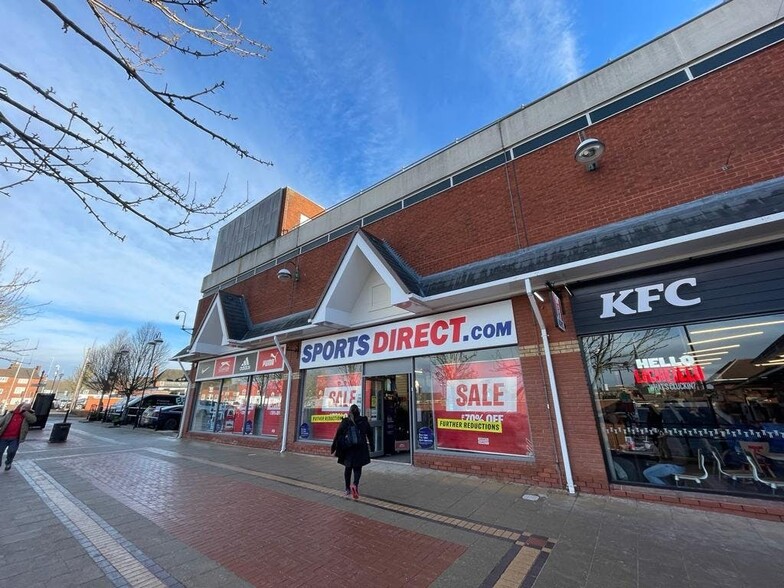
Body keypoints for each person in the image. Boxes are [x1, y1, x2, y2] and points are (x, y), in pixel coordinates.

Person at [330, 404, 374, 500]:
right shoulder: (363, 421)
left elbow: (338, 435)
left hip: (348, 449)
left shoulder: (345, 422)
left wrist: (333, 448)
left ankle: (347, 489)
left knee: (348, 468)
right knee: (357, 468)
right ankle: (355, 485)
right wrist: (372, 446)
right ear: (358, 411)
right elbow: (370, 434)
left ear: (349, 411)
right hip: (360, 449)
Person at [0, 402, 37, 471]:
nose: (24, 408)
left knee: (12, 451)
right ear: (19, 406)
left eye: (27, 407)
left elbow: (33, 420)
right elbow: (1, 421)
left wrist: (24, 412)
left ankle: (8, 462)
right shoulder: (11, 414)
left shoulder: (28, 415)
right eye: (24, 407)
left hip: (15, 438)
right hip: (3, 437)